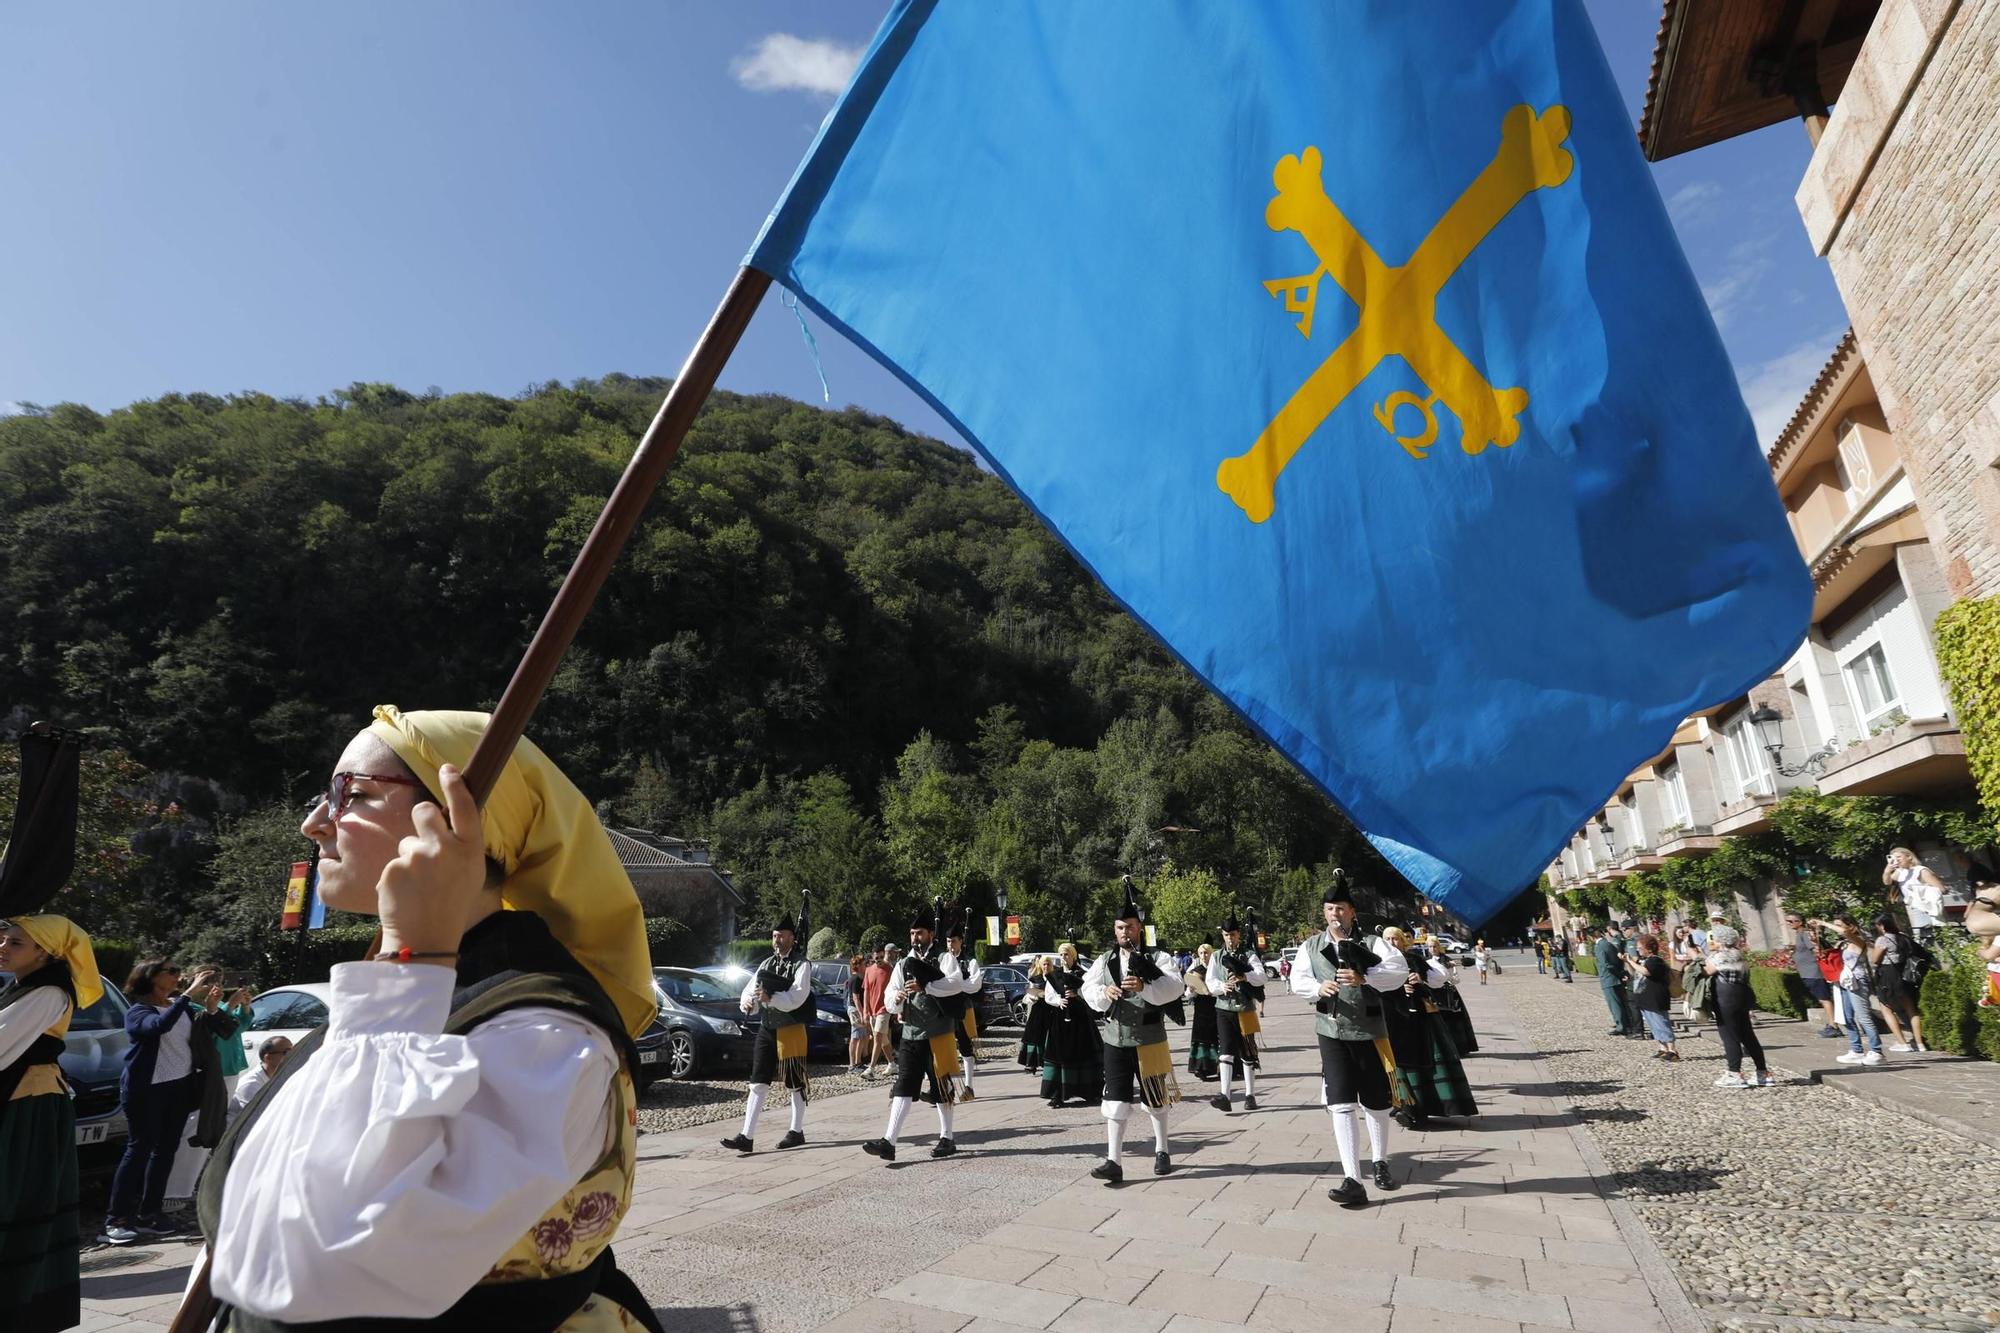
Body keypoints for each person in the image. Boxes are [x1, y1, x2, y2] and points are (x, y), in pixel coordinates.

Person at [199, 706, 665, 1329]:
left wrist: (410, 955)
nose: (315, 823)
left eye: (352, 794)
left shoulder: (543, 1033)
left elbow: (309, 1270)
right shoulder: (436, 987)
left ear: (456, 823)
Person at [0, 914, 103, 1332]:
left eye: (16, 943)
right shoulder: (24, 987)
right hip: (21, 1104)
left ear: (45, 952)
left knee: (16, 1201)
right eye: (5, 939)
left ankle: (19, 1308)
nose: (3, 947)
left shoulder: (48, 994)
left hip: (28, 1110)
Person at [1290, 874, 1409, 1208]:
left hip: (1370, 1031)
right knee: (1340, 1102)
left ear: (1352, 912)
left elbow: (1397, 971)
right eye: (1330, 909)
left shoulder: (1373, 943)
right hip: (1330, 1032)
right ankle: (1353, 1179)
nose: (1334, 915)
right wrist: (1317, 989)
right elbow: (1297, 979)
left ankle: (1380, 1161)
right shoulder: (1310, 946)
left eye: (1340, 909)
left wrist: (1365, 976)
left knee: (1376, 1102)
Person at [104, 958, 218, 1242]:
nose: (177, 976)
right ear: (150, 977)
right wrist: (188, 995)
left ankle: (150, 1213)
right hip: (146, 1090)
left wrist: (211, 1007)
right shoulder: (139, 1011)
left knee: (166, 1151)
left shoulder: (181, 1007)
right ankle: (117, 1218)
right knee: (139, 1149)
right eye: (172, 972)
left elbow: (208, 1032)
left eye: (179, 972)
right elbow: (157, 1027)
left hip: (178, 1088)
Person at [1082, 883, 1183, 1183]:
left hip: (1150, 1038)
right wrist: (1104, 991)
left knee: (1156, 1098)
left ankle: (1162, 1150)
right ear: (1114, 930)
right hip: (1115, 1038)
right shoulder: (1105, 961)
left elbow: (1175, 987)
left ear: (1140, 928)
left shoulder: (1158, 957)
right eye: (1119, 927)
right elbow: (1087, 988)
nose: (1124, 932)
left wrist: (1146, 987)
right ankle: (1114, 1160)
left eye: (1130, 926)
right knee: (1114, 1101)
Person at [861, 907, 964, 1162]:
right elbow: (890, 993)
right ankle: (889, 1142)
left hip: (938, 1032)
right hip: (911, 1032)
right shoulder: (905, 962)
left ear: (931, 933)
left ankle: (947, 1137)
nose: (915, 937)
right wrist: (895, 998)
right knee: (903, 1085)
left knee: (941, 1086)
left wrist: (926, 985)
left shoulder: (944, 957)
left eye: (919, 933)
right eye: (912, 933)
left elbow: (955, 983)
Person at [721, 911, 813, 1154]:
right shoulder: (765, 964)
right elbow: (750, 990)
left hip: (791, 1026)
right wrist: (748, 1003)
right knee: (757, 1081)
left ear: (792, 938)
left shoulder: (802, 964)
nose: (777, 940)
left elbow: (798, 996)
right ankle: (746, 1136)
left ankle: (796, 1130)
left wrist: (771, 998)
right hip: (767, 1026)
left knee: (794, 1081)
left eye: (782, 936)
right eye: (774, 936)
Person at [1378, 926, 1476, 1129]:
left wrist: (1420, 979)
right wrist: (1395, 989)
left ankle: (1433, 1105)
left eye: (1395, 939)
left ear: (1402, 941)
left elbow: (1439, 981)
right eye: (1387, 939)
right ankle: (1405, 1105)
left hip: (1421, 1018)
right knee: (1398, 1062)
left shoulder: (1413, 959)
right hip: (1393, 1018)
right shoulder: (1378, 964)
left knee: (1428, 1060)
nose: (1391, 943)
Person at [1207, 908, 1265, 1113]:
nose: (1229, 939)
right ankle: (1225, 1095)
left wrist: (1245, 977)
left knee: (1248, 1053)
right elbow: (1210, 981)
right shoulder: (1216, 956)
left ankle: (1250, 1095)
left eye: (1232, 934)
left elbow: (1262, 976)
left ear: (1238, 934)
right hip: (1224, 1008)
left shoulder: (1248, 954)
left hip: (1245, 1008)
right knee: (1225, 1052)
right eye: (1226, 935)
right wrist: (1222, 987)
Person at [1702, 926, 1771, 1088]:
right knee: (1748, 1035)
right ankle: (1763, 1073)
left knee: (1729, 1035)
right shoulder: (1739, 954)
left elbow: (1706, 972)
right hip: (1742, 996)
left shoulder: (1720, 956)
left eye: (1716, 938)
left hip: (1725, 997)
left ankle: (1734, 1074)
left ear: (1721, 940)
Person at [1039, 942, 1103, 1107]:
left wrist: (1078, 994)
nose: (1063, 958)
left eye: (1066, 954)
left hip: (1081, 1020)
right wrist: (1058, 1000)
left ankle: (1090, 1091)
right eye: (1061, 955)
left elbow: (1091, 993)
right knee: (1059, 1055)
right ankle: (1057, 1094)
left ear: (1073, 956)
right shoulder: (1055, 974)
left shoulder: (1084, 974)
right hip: (1060, 1021)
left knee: (1084, 1053)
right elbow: (1048, 995)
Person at [1821, 914, 1885, 1066]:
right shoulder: (1842, 943)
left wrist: (1823, 922)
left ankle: (1877, 1051)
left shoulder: (1858, 940)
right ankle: (1856, 1049)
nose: (1837, 928)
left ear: (1850, 926)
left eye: (1840, 925)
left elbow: (1845, 933)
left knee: (1863, 1017)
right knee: (1846, 1016)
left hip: (1857, 980)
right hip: (1844, 980)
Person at [1868, 914, 1928, 1053]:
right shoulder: (1903, 937)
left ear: (1882, 926)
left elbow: (1875, 960)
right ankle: (1920, 1043)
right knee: (1911, 1009)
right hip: (1905, 975)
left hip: (1888, 975)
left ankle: (1902, 1043)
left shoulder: (1883, 939)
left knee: (1886, 1008)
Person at [939, 911, 983, 1101]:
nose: (950, 945)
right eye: (948, 942)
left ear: (960, 941)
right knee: (944, 1047)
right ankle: (944, 1088)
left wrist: (955, 984)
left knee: (966, 1048)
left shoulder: (970, 961)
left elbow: (975, 985)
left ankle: (969, 1087)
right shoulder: (942, 961)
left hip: (963, 1009)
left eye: (954, 941)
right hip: (945, 1011)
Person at [1783, 912, 1841, 1036]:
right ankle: (1831, 1024)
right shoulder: (1799, 934)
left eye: (1791, 921)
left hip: (1813, 972)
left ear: (1800, 922)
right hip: (1806, 972)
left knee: (1824, 998)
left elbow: (1816, 950)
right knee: (1822, 999)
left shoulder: (1804, 934)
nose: (1788, 924)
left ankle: (1833, 1025)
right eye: (1787, 921)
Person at [1623, 935, 1679, 1061]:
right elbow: (1634, 973)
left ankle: (1672, 1049)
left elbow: (1646, 972)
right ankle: (1663, 1047)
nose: (1638, 950)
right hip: (1645, 999)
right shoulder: (1644, 961)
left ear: (1649, 948)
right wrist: (1628, 962)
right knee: (1654, 1025)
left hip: (1655, 998)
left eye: (1640, 947)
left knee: (1661, 1023)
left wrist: (1631, 961)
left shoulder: (1655, 961)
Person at [1884, 847, 1946, 947]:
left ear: (1909, 857)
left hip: (1928, 908)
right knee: (1922, 940)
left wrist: (1922, 890)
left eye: (1899, 857)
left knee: (1936, 937)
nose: (1896, 860)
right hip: (1913, 909)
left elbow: (1942, 889)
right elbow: (1887, 882)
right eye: (1894, 858)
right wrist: (1887, 870)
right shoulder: (1901, 872)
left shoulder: (1920, 870)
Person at [227, 1034, 293, 1122]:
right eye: (287, 1052)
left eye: (294, 1051)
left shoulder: (282, 1077)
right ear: (268, 1058)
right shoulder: (251, 1084)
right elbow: (256, 1118)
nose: (292, 1056)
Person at [1184, 943, 1220, 1082]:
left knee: (1217, 1037)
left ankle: (1219, 1068)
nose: (1204, 956)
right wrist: (1191, 991)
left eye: (1206, 953)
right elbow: (1187, 993)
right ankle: (1201, 1067)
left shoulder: (1217, 968)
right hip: (1201, 1009)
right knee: (1202, 1038)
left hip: (1216, 1006)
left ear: (1211, 954)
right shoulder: (1195, 970)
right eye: (1201, 953)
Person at [1590, 927, 1630, 1037]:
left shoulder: (1599, 946)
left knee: (1614, 1004)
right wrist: (1620, 973)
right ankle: (1626, 1023)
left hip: (1608, 978)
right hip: (1615, 978)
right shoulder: (1608, 944)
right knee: (1621, 1002)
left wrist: (1618, 974)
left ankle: (1621, 1026)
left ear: (1592, 937)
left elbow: (1605, 964)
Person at [864, 945, 895, 1076]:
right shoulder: (869, 970)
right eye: (877, 958)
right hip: (872, 1010)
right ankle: (892, 1064)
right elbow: (866, 991)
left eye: (882, 957)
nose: (879, 960)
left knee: (877, 1036)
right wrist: (865, 1010)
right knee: (883, 1040)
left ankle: (871, 1068)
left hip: (884, 1008)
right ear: (872, 957)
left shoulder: (890, 970)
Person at [1019, 955, 1053, 1074]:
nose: (1046, 966)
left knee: (1048, 1036)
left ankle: (1046, 1062)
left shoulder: (1056, 978)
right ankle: (1031, 1064)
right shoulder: (1036, 979)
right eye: (1044, 964)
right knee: (1034, 1036)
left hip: (1051, 1010)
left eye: (1048, 964)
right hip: (1038, 1010)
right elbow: (1029, 993)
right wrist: (1034, 996)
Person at [846, 953, 868, 1074]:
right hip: (855, 1009)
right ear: (858, 966)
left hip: (858, 1009)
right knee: (856, 1037)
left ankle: (858, 1062)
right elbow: (855, 998)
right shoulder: (855, 979)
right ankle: (852, 1064)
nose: (866, 965)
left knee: (862, 1036)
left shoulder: (860, 978)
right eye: (864, 964)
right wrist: (862, 1013)